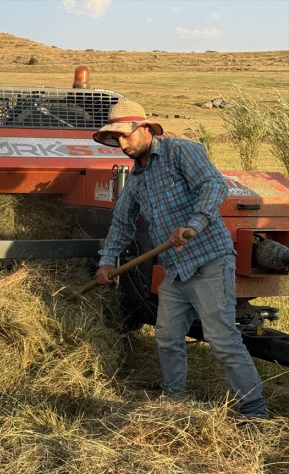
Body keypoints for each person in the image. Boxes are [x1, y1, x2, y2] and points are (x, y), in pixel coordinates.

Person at [91, 100, 268, 419]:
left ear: (144, 129)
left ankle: (254, 408)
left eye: (125, 136)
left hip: (208, 260)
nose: (121, 144)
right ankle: (173, 397)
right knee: (168, 335)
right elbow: (121, 222)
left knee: (222, 338)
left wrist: (193, 224)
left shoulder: (180, 152)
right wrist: (107, 261)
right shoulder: (138, 178)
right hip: (174, 269)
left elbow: (213, 186)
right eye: (115, 139)